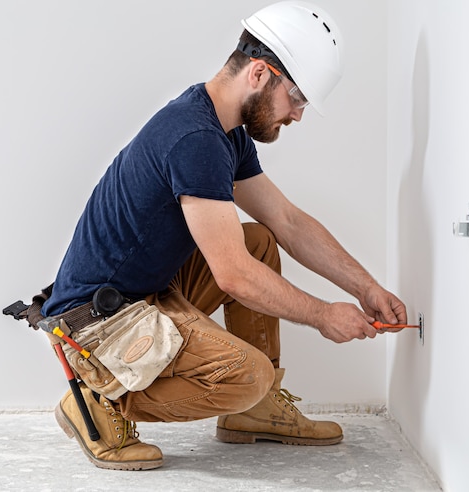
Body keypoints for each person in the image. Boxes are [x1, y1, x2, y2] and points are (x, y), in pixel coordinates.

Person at [41, 1, 407, 471]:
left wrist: (366, 289)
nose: (297, 115)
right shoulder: (195, 138)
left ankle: (257, 412)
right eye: (296, 98)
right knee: (246, 375)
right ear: (259, 73)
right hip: (96, 322)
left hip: (147, 292)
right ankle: (96, 400)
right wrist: (322, 315)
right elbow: (233, 276)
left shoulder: (224, 131)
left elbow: (288, 221)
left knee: (257, 239)